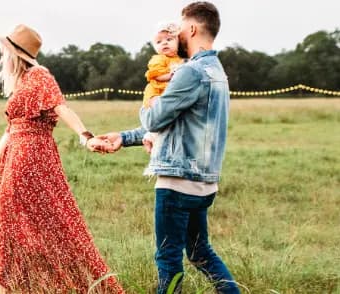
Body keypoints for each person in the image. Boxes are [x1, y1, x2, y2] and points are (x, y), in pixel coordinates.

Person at [90, 2, 241, 293]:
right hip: (205, 182)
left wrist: (148, 100)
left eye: (180, 28)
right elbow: (175, 123)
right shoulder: (217, 72)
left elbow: (155, 118)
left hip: (177, 183)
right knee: (200, 253)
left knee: (168, 259)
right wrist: (125, 137)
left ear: (193, 29)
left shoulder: (191, 73)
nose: (176, 34)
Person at [0, 24, 124, 293]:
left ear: (15, 54)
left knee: (51, 225)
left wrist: (85, 136)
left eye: (4, 52)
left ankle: (55, 285)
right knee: (13, 228)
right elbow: (9, 132)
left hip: (34, 160)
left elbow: (61, 107)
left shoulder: (39, 75)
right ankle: (15, 287)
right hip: (14, 161)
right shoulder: (20, 84)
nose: (1, 57)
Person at [142, 21, 185, 154]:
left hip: (169, 93)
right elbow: (156, 75)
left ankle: (150, 137)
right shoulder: (158, 59)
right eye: (159, 42)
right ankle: (151, 137)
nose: (164, 43)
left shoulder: (181, 59)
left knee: (169, 120)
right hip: (156, 91)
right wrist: (171, 75)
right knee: (159, 111)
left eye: (169, 39)